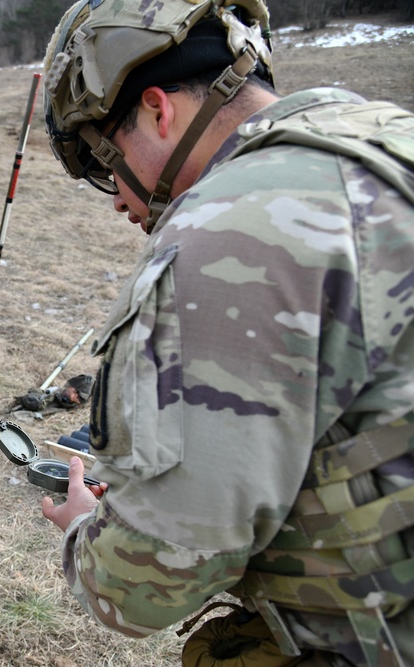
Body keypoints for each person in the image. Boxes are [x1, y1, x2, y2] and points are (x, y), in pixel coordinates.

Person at [38, 1, 414, 665]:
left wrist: (83, 534)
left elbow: (145, 584)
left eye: (107, 160)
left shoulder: (228, 231)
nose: (120, 199)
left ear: (159, 110)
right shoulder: (384, 140)